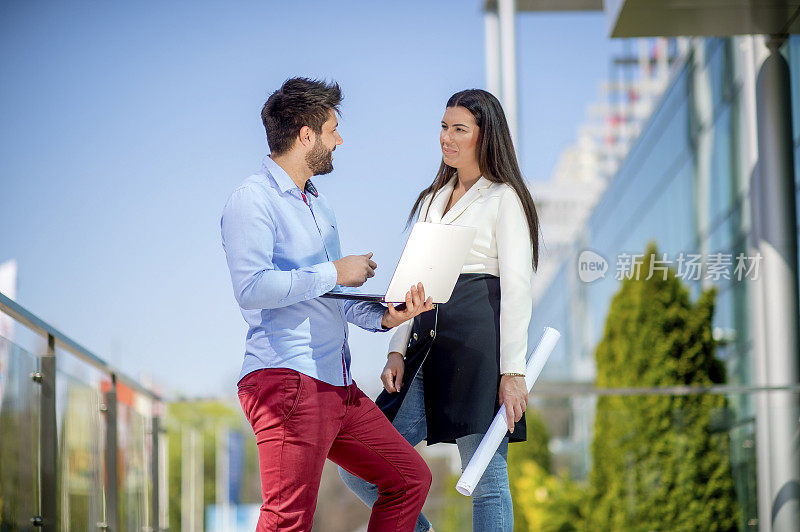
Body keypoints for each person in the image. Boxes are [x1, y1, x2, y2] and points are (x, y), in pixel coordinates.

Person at [221, 77, 435, 532]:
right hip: (286, 379)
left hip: (336, 384)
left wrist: (386, 315)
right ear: (305, 135)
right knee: (287, 520)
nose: (340, 140)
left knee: (409, 479)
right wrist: (336, 271)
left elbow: (330, 297)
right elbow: (251, 287)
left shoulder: (319, 206)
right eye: (332, 129)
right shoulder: (252, 200)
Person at [338, 89, 540, 532]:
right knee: (356, 464)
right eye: (444, 128)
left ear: (485, 136)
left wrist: (513, 372)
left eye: (459, 129)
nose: (447, 138)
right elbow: (413, 280)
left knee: (486, 479)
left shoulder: (504, 198)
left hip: (478, 349)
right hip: (425, 342)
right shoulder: (433, 198)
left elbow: (519, 289)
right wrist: (395, 349)